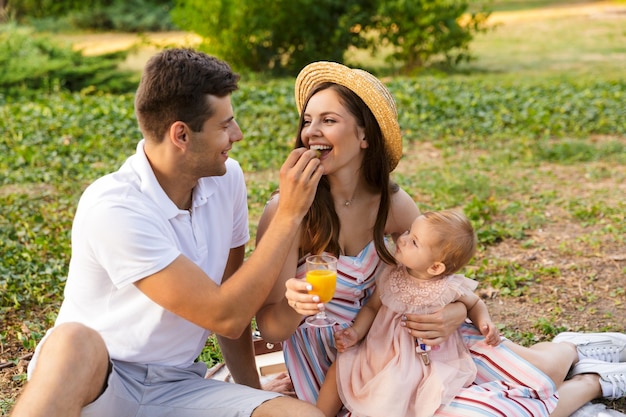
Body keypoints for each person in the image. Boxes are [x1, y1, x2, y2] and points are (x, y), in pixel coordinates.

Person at [253, 61, 626, 417]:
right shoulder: (288, 211)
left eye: (328, 120)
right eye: (307, 120)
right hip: (336, 363)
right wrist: (298, 305)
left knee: (528, 376)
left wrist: (456, 311)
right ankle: (592, 380)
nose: (310, 131)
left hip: (406, 348)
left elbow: (438, 271)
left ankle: (575, 353)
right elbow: (271, 328)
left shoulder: (393, 205)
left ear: (364, 134)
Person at [10, 48, 326, 417]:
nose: (237, 135)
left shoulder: (228, 180)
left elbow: (233, 299)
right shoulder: (113, 206)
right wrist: (289, 214)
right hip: (100, 383)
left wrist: (251, 395)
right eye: (224, 126)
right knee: (73, 341)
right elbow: (225, 315)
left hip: (179, 388)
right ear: (181, 135)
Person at [316, 209, 501, 417]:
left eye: (414, 242)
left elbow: (475, 303)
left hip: (415, 360)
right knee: (340, 368)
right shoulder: (392, 274)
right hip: (378, 349)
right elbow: (372, 307)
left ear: (435, 267)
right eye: (408, 232)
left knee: (394, 386)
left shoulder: (446, 287)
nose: (402, 239)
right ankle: (318, 414)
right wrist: (356, 333)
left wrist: (484, 321)